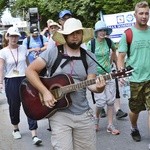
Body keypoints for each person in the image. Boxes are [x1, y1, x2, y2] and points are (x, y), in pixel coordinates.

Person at [25, 18, 106, 150]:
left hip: (83, 115)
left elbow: (91, 84)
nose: (75, 36)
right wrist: (45, 92)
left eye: (78, 33)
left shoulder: (89, 57)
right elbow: (30, 70)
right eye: (71, 33)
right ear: (65, 35)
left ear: (82, 35)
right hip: (59, 114)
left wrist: (99, 87)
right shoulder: (53, 53)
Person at [0, 26, 42, 145]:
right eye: (12, 36)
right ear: (7, 37)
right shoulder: (3, 52)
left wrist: (33, 76)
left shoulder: (23, 48)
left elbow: (28, 64)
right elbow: (1, 68)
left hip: (25, 79)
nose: (14, 38)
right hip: (11, 80)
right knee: (14, 106)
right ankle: (15, 128)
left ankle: (34, 133)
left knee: (31, 104)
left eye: (16, 36)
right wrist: (0, 82)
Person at [117, 1, 150, 145]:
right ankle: (134, 127)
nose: (144, 16)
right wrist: (121, 73)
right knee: (134, 110)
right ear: (135, 15)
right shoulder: (128, 34)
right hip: (135, 79)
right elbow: (121, 57)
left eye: (147, 13)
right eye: (141, 13)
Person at [87, 20, 120, 135]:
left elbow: (114, 52)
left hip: (109, 73)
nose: (102, 32)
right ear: (96, 32)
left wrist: (112, 64)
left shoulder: (109, 41)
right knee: (100, 102)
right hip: (96, 76)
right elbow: (87, 60)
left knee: (110, 101)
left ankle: (110, 125)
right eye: (100, 30)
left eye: (104, 30)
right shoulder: (91, 44)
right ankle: (96, 119)